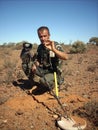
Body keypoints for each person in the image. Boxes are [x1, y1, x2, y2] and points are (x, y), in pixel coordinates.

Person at [20, 26, 68, 91]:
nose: (42, 38)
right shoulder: (40, 47)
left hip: (54, 72)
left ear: (49, 35)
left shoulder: (54, 44)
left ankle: (56, 82)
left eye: (45, 36)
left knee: (43, 81)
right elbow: (39, 60)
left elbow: (66, 57)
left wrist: (53, 49)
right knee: (26, 65)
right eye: (40, 36)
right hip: (44, 70)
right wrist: (35, 65)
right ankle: (33, 83)